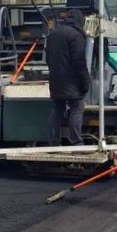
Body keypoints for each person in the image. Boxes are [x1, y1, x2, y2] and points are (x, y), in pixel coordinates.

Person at [46, 8, 89, 146]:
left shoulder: (52, 35)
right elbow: (79, 62)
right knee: (76, 109)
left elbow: (48, 59)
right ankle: (76, 142)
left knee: (57, 109)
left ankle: (53, 141)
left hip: (55, 80)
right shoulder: (76, 36)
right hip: (72, 82)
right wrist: (85, 83)